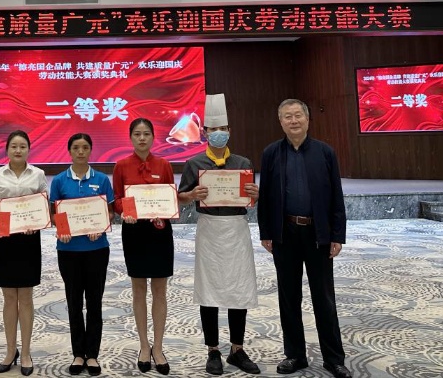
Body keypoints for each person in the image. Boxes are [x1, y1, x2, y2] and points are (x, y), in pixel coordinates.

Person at [257, 99, 351, 378]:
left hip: (317, 234)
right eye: (288, 117)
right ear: (280, 122)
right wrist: (266, 232)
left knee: (324, 298)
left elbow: (336, 196)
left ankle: (333, 359)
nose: (293, 121)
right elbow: (266, 197)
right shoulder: (271, 153)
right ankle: (295, 355)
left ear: (308, 119)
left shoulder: (325, 152)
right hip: (284, 234)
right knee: (289, 297)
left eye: (298, 115)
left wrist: (337, 235)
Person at [177, 94, 261, 376]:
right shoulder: (194, 163)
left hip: (236, 230)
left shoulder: (242, 162)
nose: (218, 133)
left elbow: (251, 200)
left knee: (238, 288)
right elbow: (181, 197)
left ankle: (237, 349)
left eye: (223, 129)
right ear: (204, 133)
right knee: (209, 289)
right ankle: (212, 349)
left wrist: (256, 194)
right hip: (209, 230)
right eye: (213, 129)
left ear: (229, 131)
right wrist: (191, 194)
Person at [112, 118, 174, 375]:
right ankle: (144, 345)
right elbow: (117, 199)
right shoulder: (121, 165)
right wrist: (124, 211)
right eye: (137, 134)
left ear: (153, 137)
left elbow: (170, 196)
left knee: (160, 290)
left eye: (146, 134)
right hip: (134, 231)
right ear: (130, 137)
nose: (142, 138)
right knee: (138, 289)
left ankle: (158, 346)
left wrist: (165, 210)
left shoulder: (164, 164)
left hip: (159, 232)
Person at [0, 130, 48, 376]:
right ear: (7, 150)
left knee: (27, 298)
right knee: (9, 298)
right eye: (14, 146)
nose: (18, 150)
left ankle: (27, 352)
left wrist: (38, 222)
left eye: (22, 146)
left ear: (29, 149)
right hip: (5, 240)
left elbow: (43, 206)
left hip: (29, 241)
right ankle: (11, 351)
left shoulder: (38, 174)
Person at [49, 133, 115, 377]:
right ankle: (78, 353)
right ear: (69, 151)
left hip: (97, 250)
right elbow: (55, 213)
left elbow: (110, 212)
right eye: (76, 147)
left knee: (95, 302)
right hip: (68, 251)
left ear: (90, 150)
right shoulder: (59, 181)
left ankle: (93, 354)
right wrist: (62, 228)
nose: (80, 152)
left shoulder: (102, 179)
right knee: (74, 302)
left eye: (85, 147)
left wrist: (101, 226)